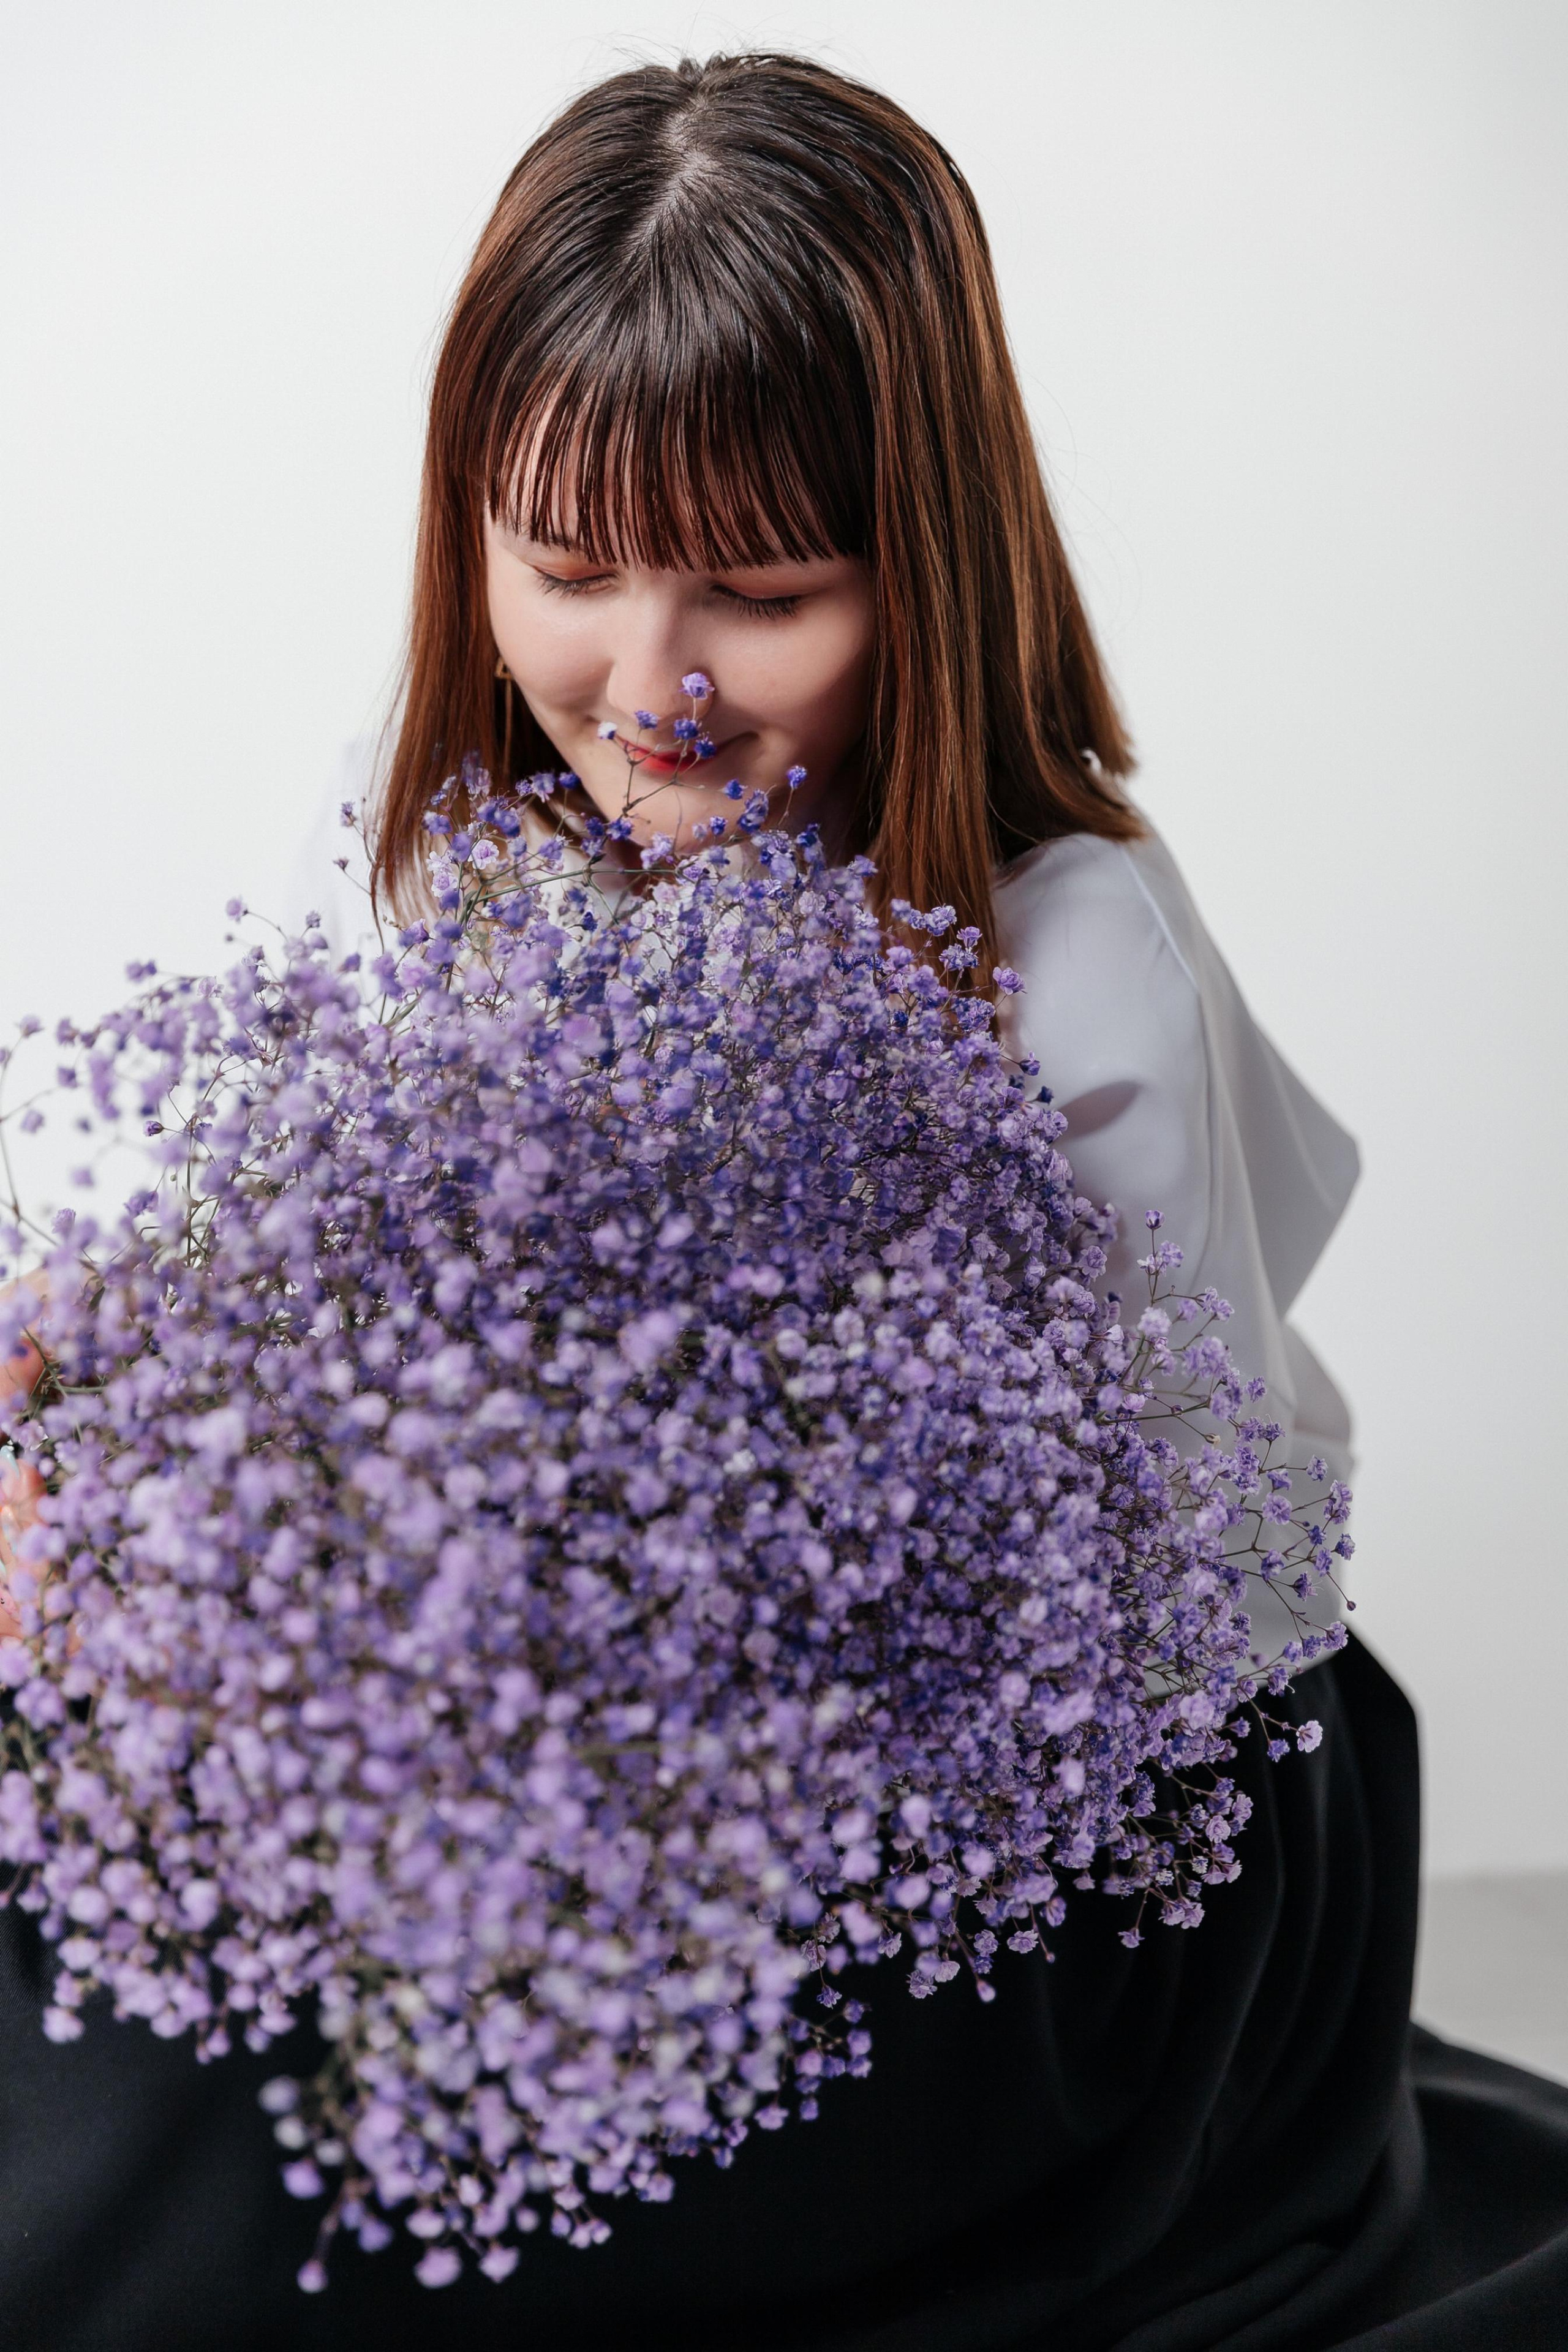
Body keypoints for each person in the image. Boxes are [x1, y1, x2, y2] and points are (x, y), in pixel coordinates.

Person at [3, 47, 1567, 2352]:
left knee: (247, 2138)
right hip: (613, 1722)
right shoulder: (470, 836)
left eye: (760, 590)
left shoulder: (1071, 947)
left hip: (1064, 1842)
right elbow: (422, 1326)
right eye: (566, 572)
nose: (651, 691)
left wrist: (550, 1699)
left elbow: (1163, 1604)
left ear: (922, 559)